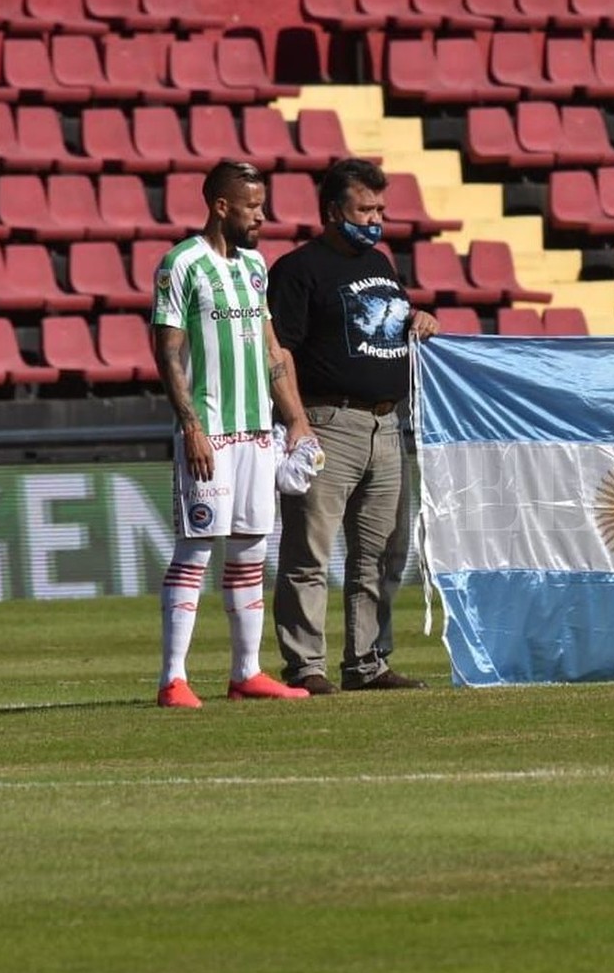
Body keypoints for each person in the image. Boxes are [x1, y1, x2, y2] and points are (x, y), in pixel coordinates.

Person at [269, 158, 439, 694]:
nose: (375, 218)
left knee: (383, 553)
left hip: (387, 426)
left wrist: (418, 319)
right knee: (309, 554)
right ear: (331, 211)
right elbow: (280, 351)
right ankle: (306, 665)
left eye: (380, 208)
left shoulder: (383, 264)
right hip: (328, 422)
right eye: (364, 208)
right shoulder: (298, 271)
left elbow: (389, 325)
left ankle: (367, 662)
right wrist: (295, 421)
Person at [151, 160, 315, 708]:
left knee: (249, 549)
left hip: (256, 434)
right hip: (211, 433)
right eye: (252, 207)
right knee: (195, 549)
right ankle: (173, 678)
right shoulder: (181, 265)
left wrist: (295, 417)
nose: (261, 217)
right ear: (222, 206)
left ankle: (246, 671)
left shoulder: (253, 267)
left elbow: (271, 351)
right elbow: (168, 351)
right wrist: (190, 426)